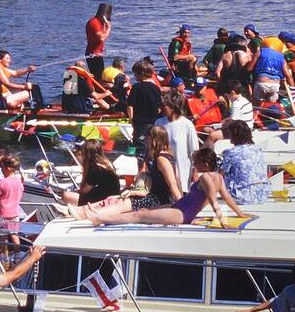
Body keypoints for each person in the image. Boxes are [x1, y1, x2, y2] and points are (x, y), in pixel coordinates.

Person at [85, 147, 242, 226]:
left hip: (183, 214)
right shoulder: (219, 178)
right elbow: (228, 199)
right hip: (180, 206)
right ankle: (102, 217)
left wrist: (223, 223)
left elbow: (215, 202)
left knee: (139, 215)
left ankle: (101, 218)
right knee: (143, 211)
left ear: (206, 164)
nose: (194, 165)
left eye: (197, 162)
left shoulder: (207, 177)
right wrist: (240, 214)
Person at [155, 89, 199, 190]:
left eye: (164, 105)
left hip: (182, 173)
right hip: (162, 172)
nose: (161, 108)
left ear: (173, 106)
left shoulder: (187, 124)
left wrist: (195, 171)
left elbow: (195, 151)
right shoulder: (159, 123)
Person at [217, 120, 270, 203]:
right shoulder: (258, 150)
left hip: (241, 195)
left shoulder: (231, 153)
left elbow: (220, 175)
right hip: (262, 195)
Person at [0, 153, 24, 253]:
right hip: (15, 211)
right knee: (14, 235)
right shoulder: (19, 181)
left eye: (2, 168)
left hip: (4, 212)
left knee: (3, 237)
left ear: (8, 168)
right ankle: (17, 256)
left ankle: (5, 258)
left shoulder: (2, 183)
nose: (2, 171)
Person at [127, 58, 164, 152]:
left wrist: (132, 121)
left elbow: (130, 106)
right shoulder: (156, 88)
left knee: (140, 146)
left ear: (141, 73)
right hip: (154, 122)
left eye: (135, 74)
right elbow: (159, 108)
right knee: (153, 145)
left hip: (140, 122)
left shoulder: (136, 88)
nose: (134, 76)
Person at [249, 40, 293, 105]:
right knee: (272, 107)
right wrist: (293, 90)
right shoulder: (281, 56)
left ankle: (256, 114)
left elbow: (249, 68)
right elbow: (288, 75)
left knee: (256, 107)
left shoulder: (260, 52)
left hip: (262, 83)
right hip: (275, 85)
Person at [85, 4, 112, 82]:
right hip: (93, 54)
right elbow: (102, 38)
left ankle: (98, 90)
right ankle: (97, 92)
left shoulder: (100, 22)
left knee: (100, 76)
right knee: (98, 77)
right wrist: (109, 28)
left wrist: (105, 25)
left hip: (97, 53)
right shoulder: (94, 23)